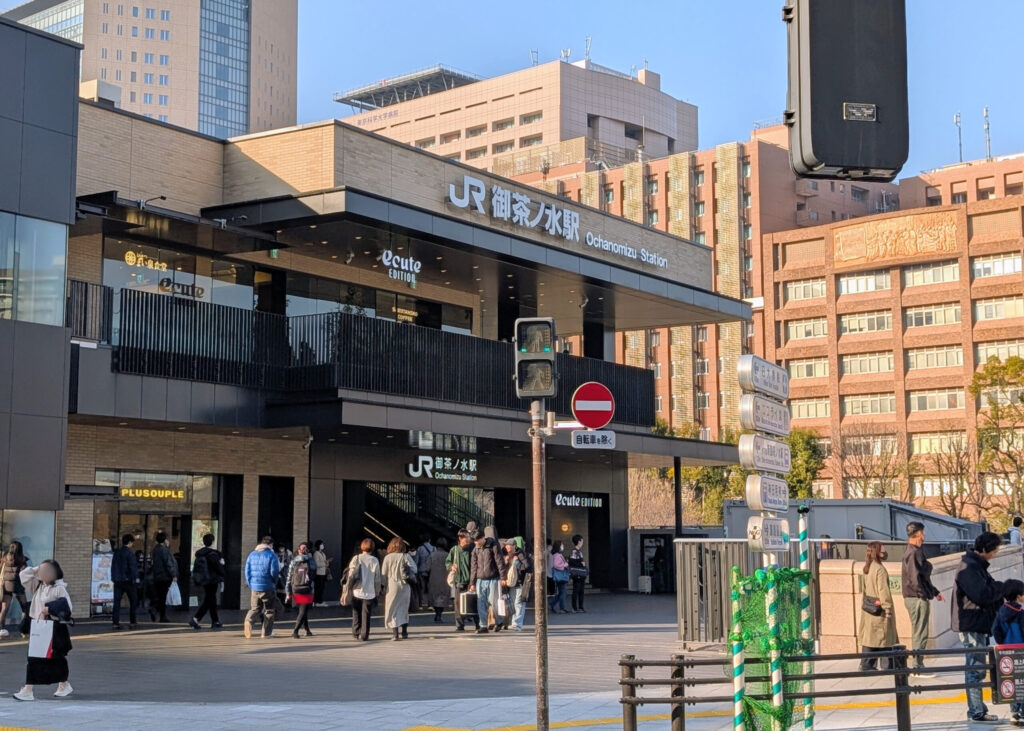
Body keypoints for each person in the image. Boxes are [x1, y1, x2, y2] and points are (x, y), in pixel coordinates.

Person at [953, 530, 1005, 724]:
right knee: (975, 668)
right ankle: (976, 711)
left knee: (977, 667)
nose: (995, 554)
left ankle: (977, 709)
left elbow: (989, 588)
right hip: (972, 622)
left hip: (977, 622)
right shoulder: (968, 567)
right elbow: (982, 594)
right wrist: (1002, 589)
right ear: (984, 549)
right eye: (994, 550)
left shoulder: (976, 565)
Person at [14, 560, 73, 701]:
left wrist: (50, 608)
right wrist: (36, 569)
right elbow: (23, 575)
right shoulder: (38, 585)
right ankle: (29, 689)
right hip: (39, 627)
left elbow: (67, 607)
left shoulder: (59, 588)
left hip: (54, 628)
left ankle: (61, 685)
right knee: (35, 658)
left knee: (55, 658)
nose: (41, 573)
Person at [901, 521, 943, 676]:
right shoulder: (914, 553)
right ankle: (917, 666)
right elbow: (915, 579)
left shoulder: (913, 551)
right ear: (918, 533)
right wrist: (923, 594)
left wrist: (934, 591)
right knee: (920, 631)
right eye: (922, 533)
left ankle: (918, 664)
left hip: (915, 596)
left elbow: (920, 578)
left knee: (919, 630)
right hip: (916, 597)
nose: (924, 536)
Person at [857, 541, 898, 671]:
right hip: (879, 608)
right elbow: (883, 590)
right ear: (877, 552)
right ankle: (885, 665)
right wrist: (887, 608)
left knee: (870, 637)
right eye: (883, 550)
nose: (885, 552)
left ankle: (867, 664)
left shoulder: (868, 567)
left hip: (869, 607)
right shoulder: (880, 569)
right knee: (884, 636)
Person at [992, 579, 1024, 726]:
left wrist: (1002, 642)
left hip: (1006, 651)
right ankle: (1023, 712)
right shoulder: (1020, 613)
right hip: (1021, 649)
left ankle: (1014, 713)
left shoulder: (1000, 612)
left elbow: (995, 630)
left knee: (1010, 680)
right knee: (1022, 681)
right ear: (1019, 596)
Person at [243, 536, 282, 639]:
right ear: (270, 545)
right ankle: (266, 633)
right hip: (268, 586)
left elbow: (247, 571)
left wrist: (250, 583)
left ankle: (248, 621)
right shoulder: (272, 555)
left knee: (255, 608)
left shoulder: (252, 554)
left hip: (254, 586)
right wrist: (274, 582)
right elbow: (274, 571)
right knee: (269, 610)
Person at [469, 528, 506, 633]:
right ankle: (483, 625)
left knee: (494, 603)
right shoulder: (475, 550)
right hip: (480, 580)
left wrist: (503, 577)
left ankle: (499, 621)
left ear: (483, 537)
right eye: (474, 541)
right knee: (481, 603)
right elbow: (473, 567)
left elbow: (500, 561)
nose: (476, 543)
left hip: (493, 579)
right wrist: (472, 582)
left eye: (478, 540)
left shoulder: (493, 545)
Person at [382, 537, 416, 640]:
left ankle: (395, 634)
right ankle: (404, 632)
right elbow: (415, 569)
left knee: (392, 609)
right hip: (405, 586)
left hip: (392, 585)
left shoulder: (387, 558)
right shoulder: (406, 556)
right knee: (403, 609)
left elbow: (384, 573)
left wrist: (382, 587)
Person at [348, 538, 382, 641]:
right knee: (366, 613)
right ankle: (364, 634)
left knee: (356, 612)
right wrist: (377, 590)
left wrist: (348, 586)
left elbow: (351, 574)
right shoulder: (375, 560)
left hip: (357, 590)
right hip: (369, 591)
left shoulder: (356, 558)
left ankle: (355, 631)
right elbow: (377, 578)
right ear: (372, 548)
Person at [190, 533, 225, 630]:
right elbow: (218, 568)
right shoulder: (213, 554)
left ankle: (215, 621)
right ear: (213, 542)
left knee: (211, 599)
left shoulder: (201, 553)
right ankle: (196, 618)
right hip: (212, 580)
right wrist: (222, 566)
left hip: (204, 579)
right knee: (209, 600)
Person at [446, 530, 475, 632]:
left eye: (468, 538)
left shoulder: (472, 549)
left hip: (471, 581)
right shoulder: (454, 550)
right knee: (458, 604)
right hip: (459, 580)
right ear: (460, 538)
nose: (467, 540)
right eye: (465, 538)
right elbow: (447, 562)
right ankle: (460, 625)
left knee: (474, 602)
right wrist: (451, 567)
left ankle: (478, 623)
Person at [286, 542, 316, 639]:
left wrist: (288, 592)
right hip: (307, 588)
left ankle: (307, 630)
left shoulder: (293, 561)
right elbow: (314, 572)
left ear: (299, 550)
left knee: (302, 609)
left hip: (296, 588)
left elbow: (289, 577)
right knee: (303, 610)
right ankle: (295, 631)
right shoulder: (310, 560)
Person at [0, 541, 29, 639]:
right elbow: (26, 572)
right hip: (18, 585)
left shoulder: (4, 558)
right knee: (24, 607)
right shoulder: (21, 559)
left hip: (6, 585)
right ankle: (24, 630)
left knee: (4, 609)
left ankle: (1, 630)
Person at [110, 534, 139, 631]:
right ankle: (133, 621)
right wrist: (136, 578)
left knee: (116, 602)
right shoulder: (130, 553)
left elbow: (113, 566)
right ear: (130, 542)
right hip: (128, 581)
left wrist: (114, 578)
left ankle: (115, 622)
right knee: (133, 601)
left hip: (117, 581)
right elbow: (133, 568)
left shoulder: (117, 552)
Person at [503, 538, 532, 631]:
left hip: (520, 582)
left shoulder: (520, 554)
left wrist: (517, 563)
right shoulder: (507, 555)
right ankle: (513, 622)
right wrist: (506, 562)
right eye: (506, 545)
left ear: (514, 546)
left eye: (509, 545)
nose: (507, 547)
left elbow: (527, 566)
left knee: (518, 603)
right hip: (511, 583)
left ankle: (517, 624)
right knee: (512, 603)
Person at [149, 531, 178, 623]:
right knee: (163, 597)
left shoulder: (155, 550)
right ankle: (161, 614)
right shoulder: (164, 550)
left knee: (160, 595)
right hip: (165, 576)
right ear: (165, 540)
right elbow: (168, 563)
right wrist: (174, 574)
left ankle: (156, 610)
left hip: (157, 575)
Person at [426, 537, 451, 623]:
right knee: (443, 597)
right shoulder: (448, 555)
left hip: (434, 578)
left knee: (435, 596)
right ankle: (440, 614)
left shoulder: (432, 555)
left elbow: (427, 567)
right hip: (445, 578)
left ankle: (437, 613)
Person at [414, 534, 436, 612]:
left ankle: (421, 604)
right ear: (429, 540)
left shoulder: (420, 549)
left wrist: (415, 571)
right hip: (431, 571)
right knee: (431, 588)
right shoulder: (434, 548)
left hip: (421, 570)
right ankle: (431, 604)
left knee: (421, 588)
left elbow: (416, 561)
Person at [549, 541, 570, 615]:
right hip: (561, 576)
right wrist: (564, 565)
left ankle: (552, 604)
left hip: (559, 576)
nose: (562, 546)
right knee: (563, 592)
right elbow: (556, 565)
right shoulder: (558, 555)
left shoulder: (556, 555)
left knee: (561, 592)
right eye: (561, 545)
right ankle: (561, 607)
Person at [569, 534, 588, 614]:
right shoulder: (574, 552)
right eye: (582, 540)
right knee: (576, 590)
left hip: (579, 574)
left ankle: (580, 606)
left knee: (581, 591)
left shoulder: (579, 552)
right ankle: (575, 607)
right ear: (579, 541)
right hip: (577, 574)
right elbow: (572, 562)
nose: (582, 542)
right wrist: (581, 564)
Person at [312, 539, 331, 607]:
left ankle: (319, 601)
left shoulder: (323, 553)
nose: (323, 545)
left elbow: (324, 562)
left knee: (322, 588)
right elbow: (316, 564)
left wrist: (327, 563)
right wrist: (325, 564)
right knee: (318, 588)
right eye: (321, 544)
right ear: (318, 545)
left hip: (323, 573)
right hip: (318, 574)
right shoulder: (316, 553)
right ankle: (318, 602)